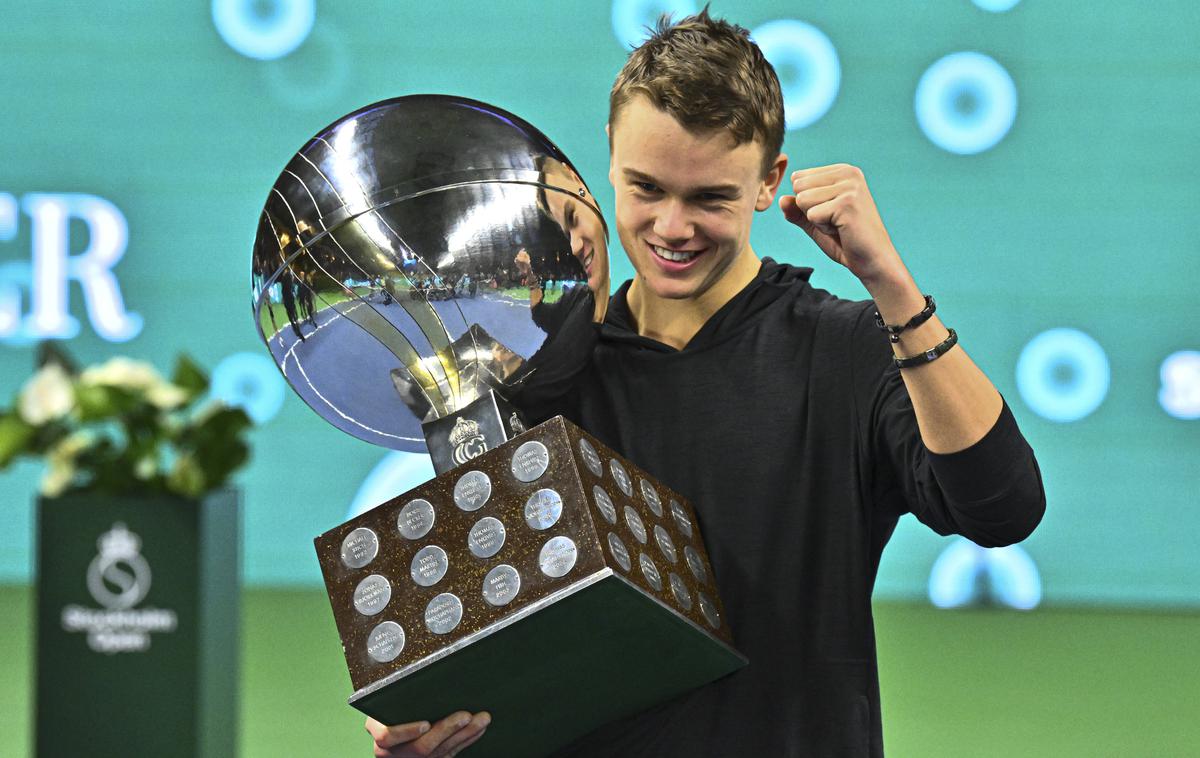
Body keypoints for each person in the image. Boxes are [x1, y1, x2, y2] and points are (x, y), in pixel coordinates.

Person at [366, 8, 1045, 757]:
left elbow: (1002, 507)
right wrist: (419, 712)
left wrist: (891, 285)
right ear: (609, 159)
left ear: (770, 182)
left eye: (710, 198)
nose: (672, 226)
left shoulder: (846, 349)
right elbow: (477, 618)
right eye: (645, 188)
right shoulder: (535, 371)